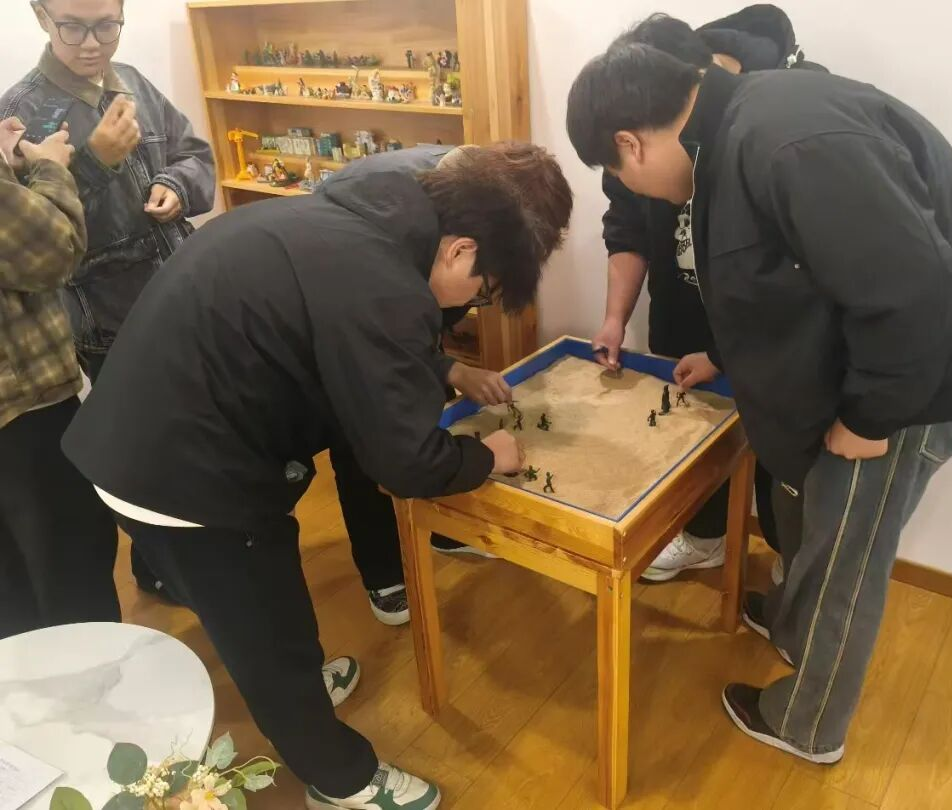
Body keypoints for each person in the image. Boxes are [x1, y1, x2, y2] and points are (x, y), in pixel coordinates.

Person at [62, 143, 572, 809]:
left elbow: (348, 334)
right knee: (264, 626)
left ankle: (295, 686)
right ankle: (339, 778)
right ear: (460, 251)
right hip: (179, 471)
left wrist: (442, 368)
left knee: (266, 611)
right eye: (485, 290)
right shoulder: (384, 282)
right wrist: (488, 457)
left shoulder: (368, 213)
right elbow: (407, 463)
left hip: (143, 426)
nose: (475, 304)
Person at [566, 40, 952, 765]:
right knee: (812, 513)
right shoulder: (734, 130)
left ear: (629, 143)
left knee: (846, 548)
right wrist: (724, 356)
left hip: (916, 384)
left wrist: (870, 417)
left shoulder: (786, 141)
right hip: (881, 365)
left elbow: (915, 293)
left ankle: (810, 725)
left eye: (618, 174)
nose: (632, 189)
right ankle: (789, 625)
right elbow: (791, 273)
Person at [593, 9, 822, 583]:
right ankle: (703, 536)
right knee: (690, 424)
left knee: (780, 443)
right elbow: (625, 227)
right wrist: (615, 318)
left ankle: (794, 568)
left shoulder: (770, 112)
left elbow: (805, 278)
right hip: (687, 310)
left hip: (771, 322)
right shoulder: (632, 120)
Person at [1, 0, 216, 600]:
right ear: (41, 18)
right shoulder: (20, 114)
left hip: (176, 293)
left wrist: (175, 185)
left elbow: (195, 154)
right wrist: (94, 164)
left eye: (107, 25)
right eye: (73, 26)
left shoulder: (134, 84)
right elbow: (40, 245)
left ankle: (190, 559)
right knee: (141, 453)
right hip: (105, 319)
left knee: (190, 439)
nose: (92, 42)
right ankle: (160, 563)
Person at [320, 144, 573, 628]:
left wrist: (448, 369)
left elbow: (417, 325)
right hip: (341, 330)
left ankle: (441, 521)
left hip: (389, 307)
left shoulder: (464, 215)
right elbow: (376, 337)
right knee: (361, 443)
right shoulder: (378, 222)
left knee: (425, 415)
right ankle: (383, 571)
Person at [0, 117, 119, 639]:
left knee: (16, 584)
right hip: (23, 407)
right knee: (70, 569)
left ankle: (27, 683)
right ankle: (94, 684)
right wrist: (50, 166)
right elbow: (53, 252)